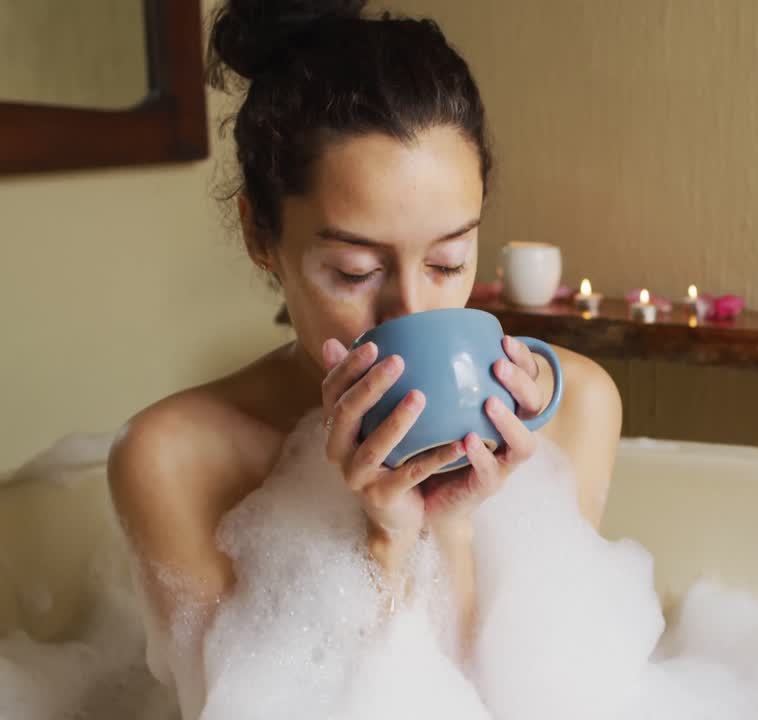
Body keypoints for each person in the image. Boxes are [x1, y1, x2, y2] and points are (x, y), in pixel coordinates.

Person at [105, 0, 623, 691]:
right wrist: (385, 540)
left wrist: (455, 524)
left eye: (447, 261)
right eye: (354, 272)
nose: (411, 309)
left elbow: (536, 697)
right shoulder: (172, 459)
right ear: (261, 235)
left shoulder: (574, 406)